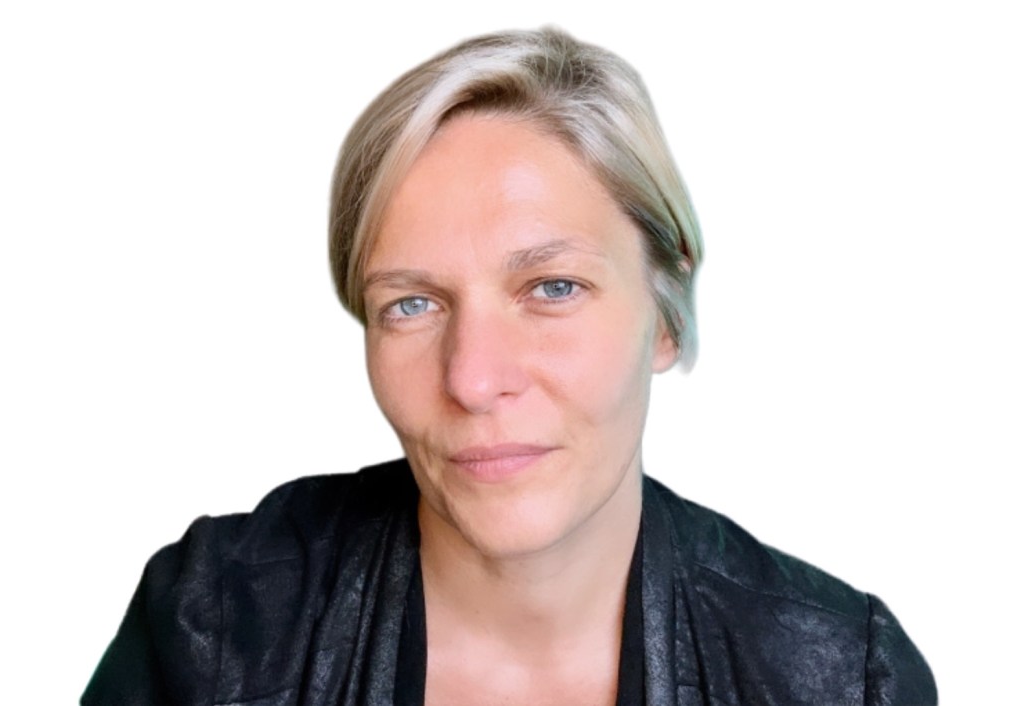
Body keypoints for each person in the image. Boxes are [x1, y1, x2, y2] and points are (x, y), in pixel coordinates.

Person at [82, 27, 936, 705]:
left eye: (552, 287)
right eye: (411, 304)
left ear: (666, 317)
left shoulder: (841, 677)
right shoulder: (213, 623)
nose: (473, 378)